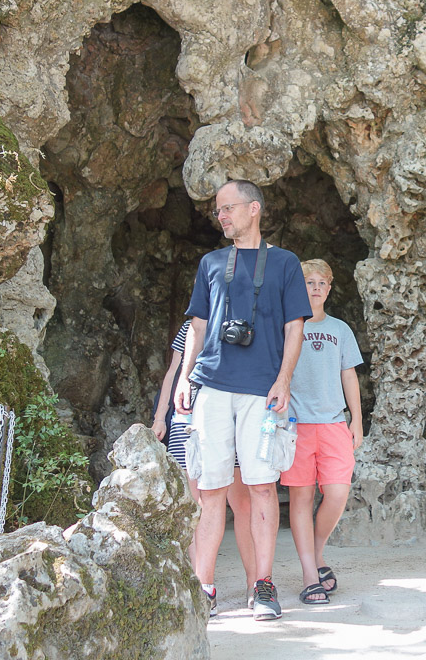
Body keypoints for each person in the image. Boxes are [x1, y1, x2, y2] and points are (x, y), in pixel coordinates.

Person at [174, 180, 311, 620]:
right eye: (218, 211)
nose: (222, 217)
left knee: (261, 486)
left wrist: (284, 381)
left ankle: (263, 585)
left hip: (261, 391)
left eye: (228, 209)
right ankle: (204, 586)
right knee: (209, 489)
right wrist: (184, 378)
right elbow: (197, 326)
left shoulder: (286, 263)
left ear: (254, 209)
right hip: (212, 384)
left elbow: (296, 328)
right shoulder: (212, 263)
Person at [151, 320, 257, 604]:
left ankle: (255, 584)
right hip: (187, 418)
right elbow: (174, 373)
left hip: (232, 417)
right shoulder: (190, 327)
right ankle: (200, 585)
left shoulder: (244, 319)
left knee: (242, 502)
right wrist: (161, 417)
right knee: (194, 502)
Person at [280, 259, 364, 605]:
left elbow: (348, 374)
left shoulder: (340, 330)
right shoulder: (287, 327)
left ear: (329, 288)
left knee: (337, 492)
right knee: (300, 498)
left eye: (321, 283)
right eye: (309, 282)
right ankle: (309, 574)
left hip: (333, 422)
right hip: (296, 424)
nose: (315, 288)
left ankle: (316, 552)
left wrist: (356, 419)